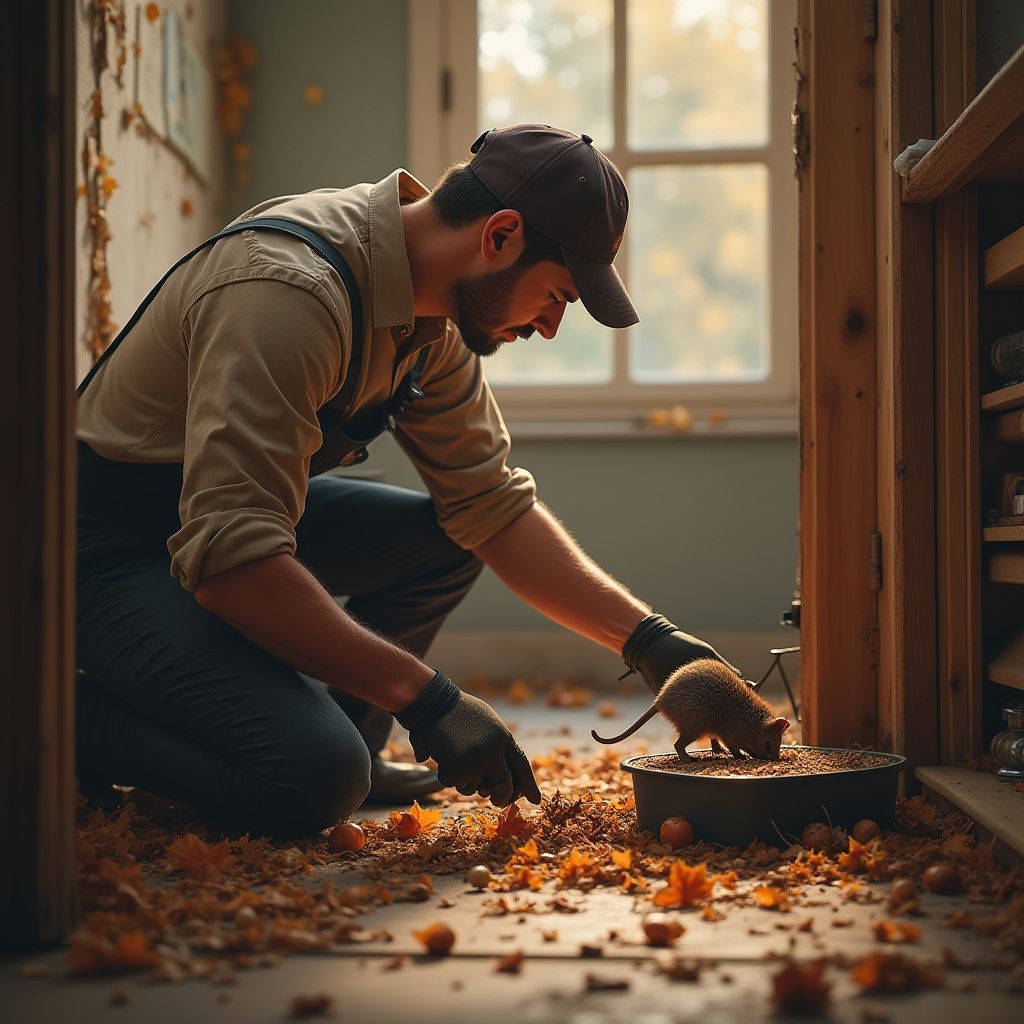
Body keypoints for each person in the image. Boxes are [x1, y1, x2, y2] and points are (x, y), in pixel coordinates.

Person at [75, 124, 739, 838]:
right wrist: (428, 701)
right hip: (101, 548)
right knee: (310, 779)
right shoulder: (289, 293)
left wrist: (649, 640)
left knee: (449, 542)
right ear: (501, 236)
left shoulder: (433, 321)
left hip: (210, 520)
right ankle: (67, 721)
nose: (549, 326)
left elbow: (489, 509)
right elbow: (232, 564)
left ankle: (350, 741)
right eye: (558, 296)